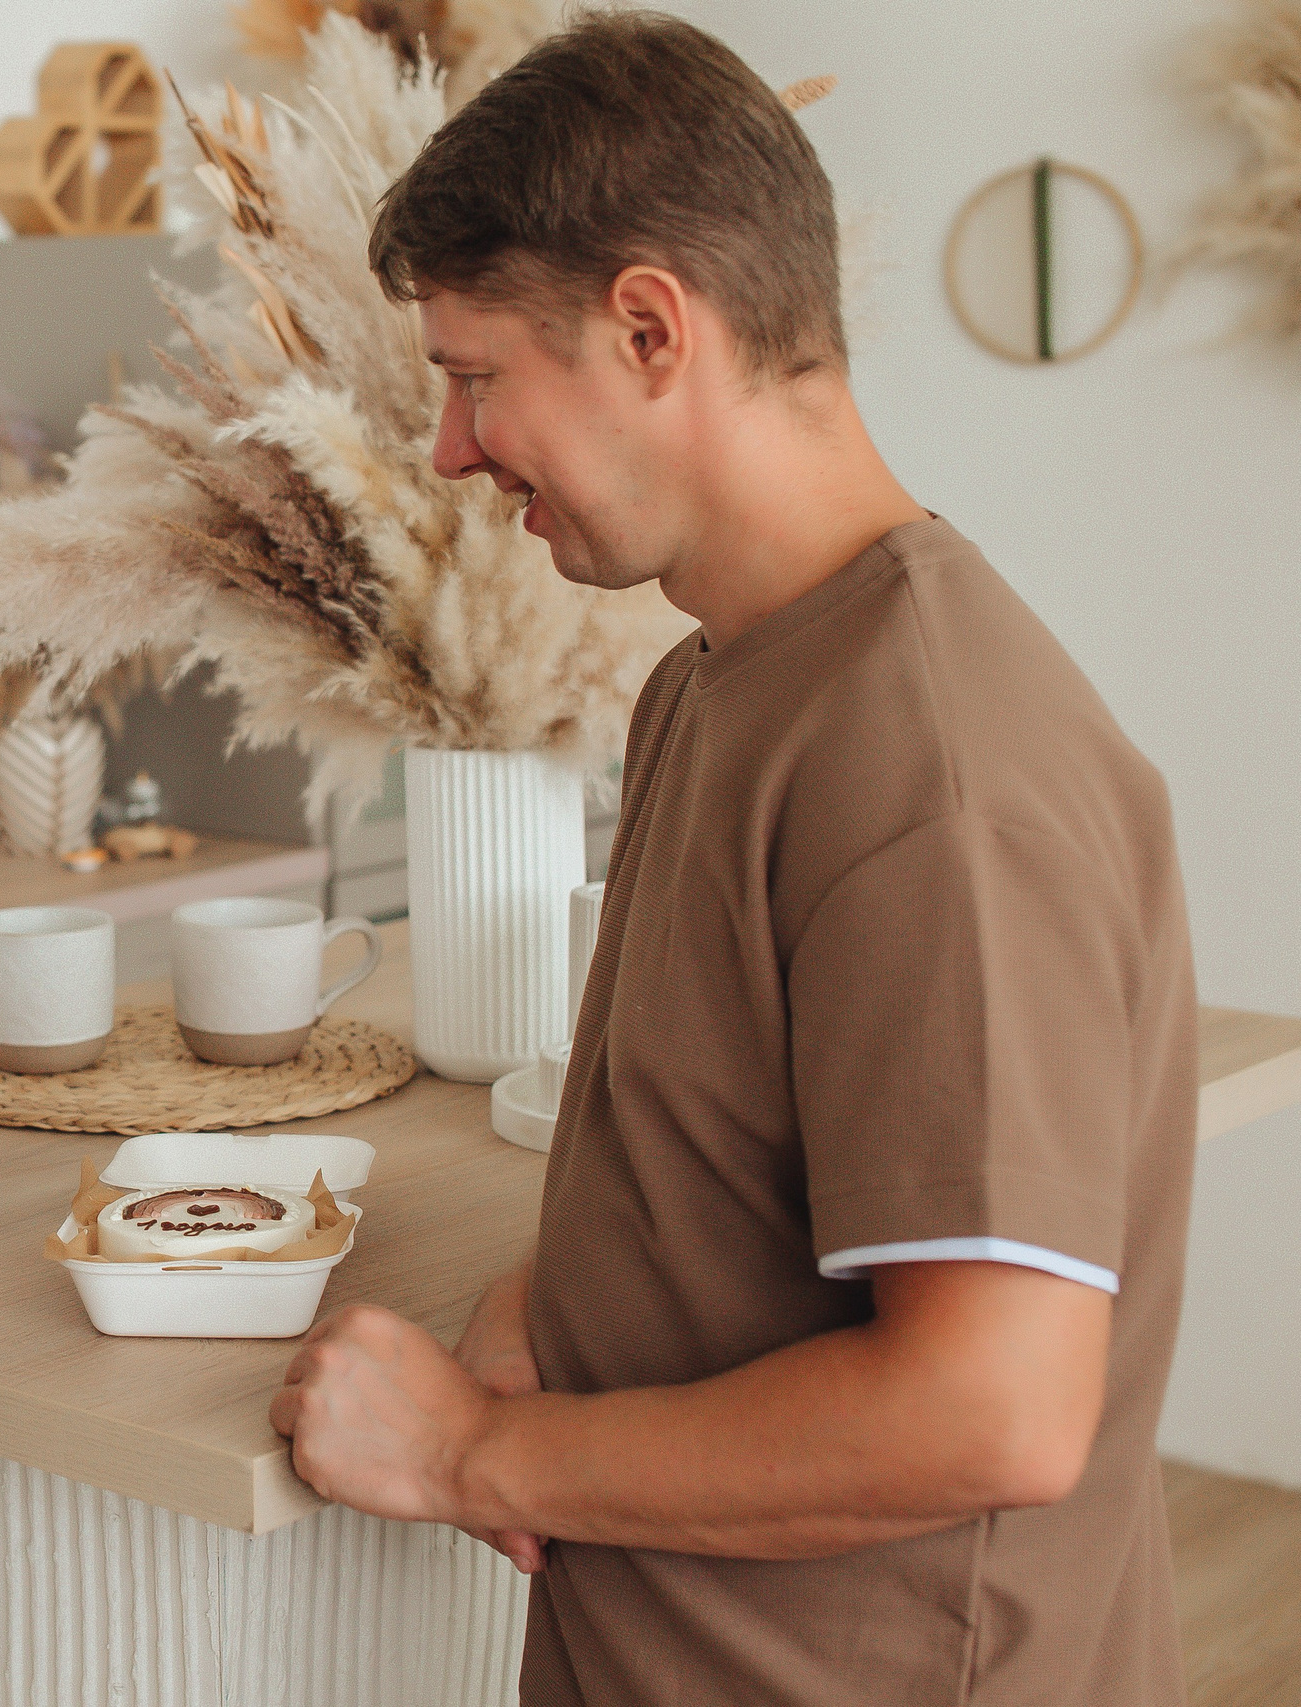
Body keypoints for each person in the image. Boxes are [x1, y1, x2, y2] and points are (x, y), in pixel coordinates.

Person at [268, 15, 1196, 1706]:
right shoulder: (720, 682)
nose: (453, 451)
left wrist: (479, 1456)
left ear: (647, 329)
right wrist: (568, 1295)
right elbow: (769, 1174)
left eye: (477, 378)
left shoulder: (936, 764)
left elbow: (994, 1406)